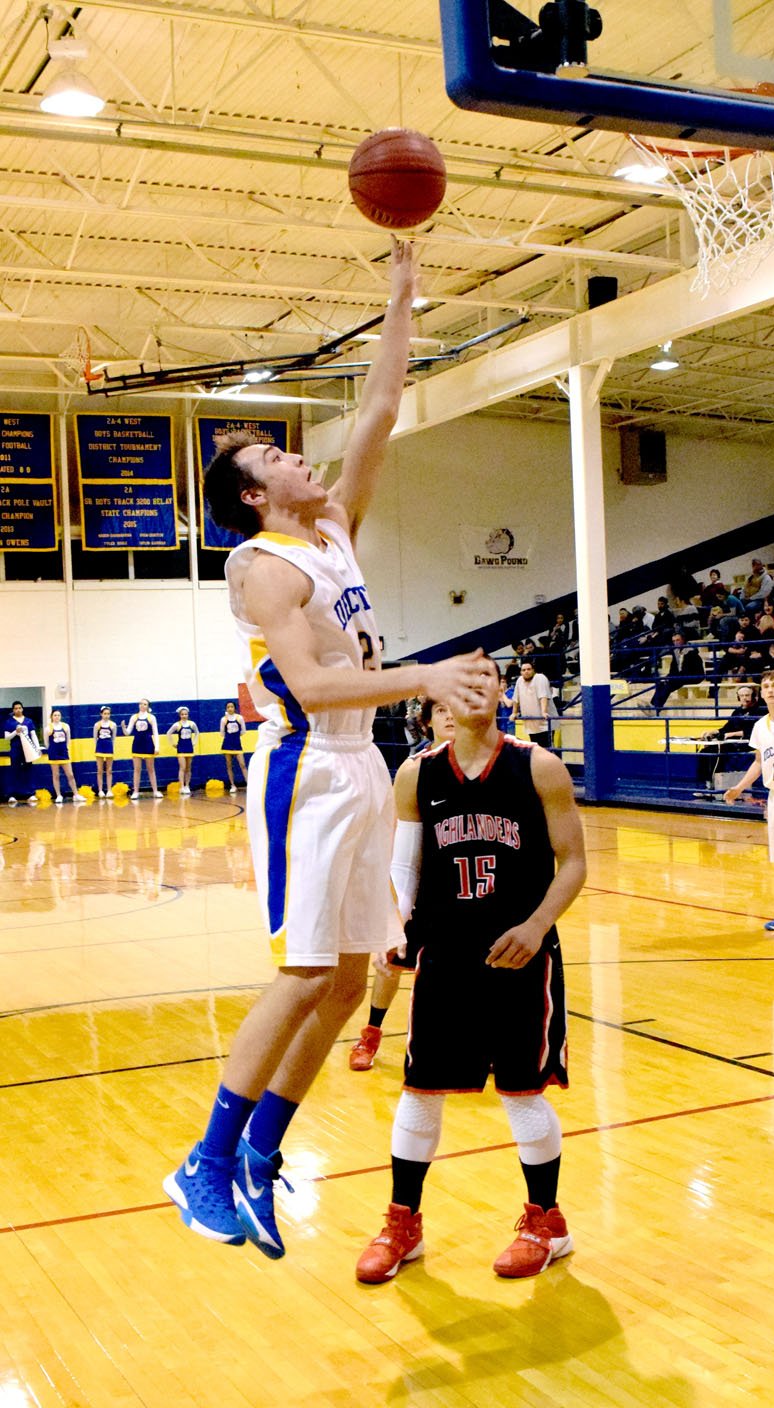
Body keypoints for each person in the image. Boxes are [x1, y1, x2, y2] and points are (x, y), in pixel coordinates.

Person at [163, 238, 486, 1257]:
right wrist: (425, 677)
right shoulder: (261, 567)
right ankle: (204, 1162)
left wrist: (401, 295)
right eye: (272, 458)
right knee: (303, 976)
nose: (294, 454)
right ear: (255, 497)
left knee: (352, 979)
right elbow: (309, 686)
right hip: (304, 766)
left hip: (359, 762)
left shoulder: (333, 529)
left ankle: (261, 1152)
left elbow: (382, 413)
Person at [355, 656, 586, 1284]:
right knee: (420, 1090)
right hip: (445, 955)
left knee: (522, 1093)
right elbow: (405, 871)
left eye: (489, 679)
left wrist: (537, 925)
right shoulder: (417, 774)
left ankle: (546, 1221)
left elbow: (572, 864)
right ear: (442, 698)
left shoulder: (538, 767)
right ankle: (404, 1222)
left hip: (521, 955)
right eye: (466, 680)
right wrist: (394, 924)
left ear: (502, 693)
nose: (477, 688)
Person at [349, 695, 456, 1072]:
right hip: (425, 882)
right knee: (390, 964)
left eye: (455, 708)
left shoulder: (493, 766)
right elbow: (404, 852)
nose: (450, 717)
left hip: (466, 888)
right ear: (427, 722)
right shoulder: (416, 771)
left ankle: (475, 1039)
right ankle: (371, 1034)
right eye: (441, 711)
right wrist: (397, 915)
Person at [724, 669, 774, 931]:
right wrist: (738, 788)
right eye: (766, 686)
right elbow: (759, 763)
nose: (770, 690)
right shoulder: (761, 726)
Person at [696, 685, 765, 788]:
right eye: (741, 696)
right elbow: (727, 727)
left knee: (718, 752)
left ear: (753, 696)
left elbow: (754, 731)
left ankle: (716, 784)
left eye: (747, 695)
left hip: (748, 742)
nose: (744, 698)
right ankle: (708, 783)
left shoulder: (760, 711)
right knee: (705, 752)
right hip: (732, 742)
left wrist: (730, 734)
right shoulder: (737, 712)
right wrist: (713, 732)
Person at [648, 632, 704, 712]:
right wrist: (669, 676)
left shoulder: (691, 652)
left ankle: (657, 708)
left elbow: (688, 670)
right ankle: (652, 705)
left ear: (683, 640)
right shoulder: (676, 651)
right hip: (681, 675)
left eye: (678, 640)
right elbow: (674, 667)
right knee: (662, 682)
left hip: (694, 675)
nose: (675, 643)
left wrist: (673, 678)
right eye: (673, 641)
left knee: (669, 685)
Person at [510, 661, 558, 746]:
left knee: (546, 749)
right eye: (523, 670)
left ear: (533, 670)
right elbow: (515, 699)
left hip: (545, 724)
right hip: (531, 724)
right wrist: (514, 713)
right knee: (536, 750)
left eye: (529, 669)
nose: (526, 671)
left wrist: (544, 712)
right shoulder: (519, 681)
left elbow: (543, 696)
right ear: (521, 672)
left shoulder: (540, 678)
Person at [121, 699, 162, 799]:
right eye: (141, 704)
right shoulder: (134, 717)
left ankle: (155, 791)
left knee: (151, 769)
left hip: (148, 744)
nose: (142, 705)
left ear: (148, 706)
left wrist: (157, 746)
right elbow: (128, 732)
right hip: (137, 744)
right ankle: (135, 792)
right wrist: (123, 728)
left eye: (145, 704)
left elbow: (155, 733)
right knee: (137, 769)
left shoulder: (151, 717)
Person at [43, 710, 85, 804]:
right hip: (53, 754)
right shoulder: (48, 728)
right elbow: (46, 743)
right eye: (55, 715)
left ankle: (76, 794)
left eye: (58, 715)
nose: (57, 717)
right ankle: (58, 795)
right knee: (56, 775)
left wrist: (65, 748)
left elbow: (68, 740)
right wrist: (51, 750)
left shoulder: (66, 726)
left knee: (70, 775)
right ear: (51, 716)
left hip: (64, 753)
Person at [3, 702, 40, 805]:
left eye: (20, 708)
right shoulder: (9, 722)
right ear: (13, 710)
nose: (18, 710)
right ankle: (12, 795)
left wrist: (37, 748)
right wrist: (16, 732)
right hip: (15, 750)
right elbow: (6, 737)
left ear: (22, 709)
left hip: (27, 750)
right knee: (14, 771)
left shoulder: (29, 721)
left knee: (29, 769)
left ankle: (30, 793)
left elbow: (33, 735)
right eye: (16, 708)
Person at [168, 707, 199, 795]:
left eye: (185, 714)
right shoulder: (177, 725)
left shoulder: (192, 724)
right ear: (180, 715)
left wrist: (194, 742)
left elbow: (197, 732)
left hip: (189, 747)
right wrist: (173, 743)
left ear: (188, 715)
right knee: (182, 767)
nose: (184, 716)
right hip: (181, 748)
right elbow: (168, 733)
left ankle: (187, 786)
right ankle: (182, 786)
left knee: (188, 767)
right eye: (182, 714)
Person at [220, 702, 248, 792]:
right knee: (229, 765)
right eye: (228, 707)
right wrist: (229, 737)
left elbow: (243, 731)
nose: (230, 708)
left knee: (242, 764)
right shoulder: (223, 719)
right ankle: (232, 785)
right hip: (227, 744)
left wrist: (236, 736)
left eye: (232, 707)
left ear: (234, 708)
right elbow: (222, 733)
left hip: (237, 744)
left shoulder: (239, 718)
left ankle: (248, 783)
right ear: (226, 709)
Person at [93, 706, 117, 797]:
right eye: (105, 714)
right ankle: (100, 790)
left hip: (109, 747)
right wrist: (97, 748)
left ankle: (109, 790)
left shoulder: (113, 725)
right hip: (100, 747)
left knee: (109, 770)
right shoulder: (97, 725)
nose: (106, 715)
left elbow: (114, 738)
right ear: (101, 714)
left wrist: (112, 748)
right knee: (99, 769)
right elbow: (95, 738)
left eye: (108, 714)